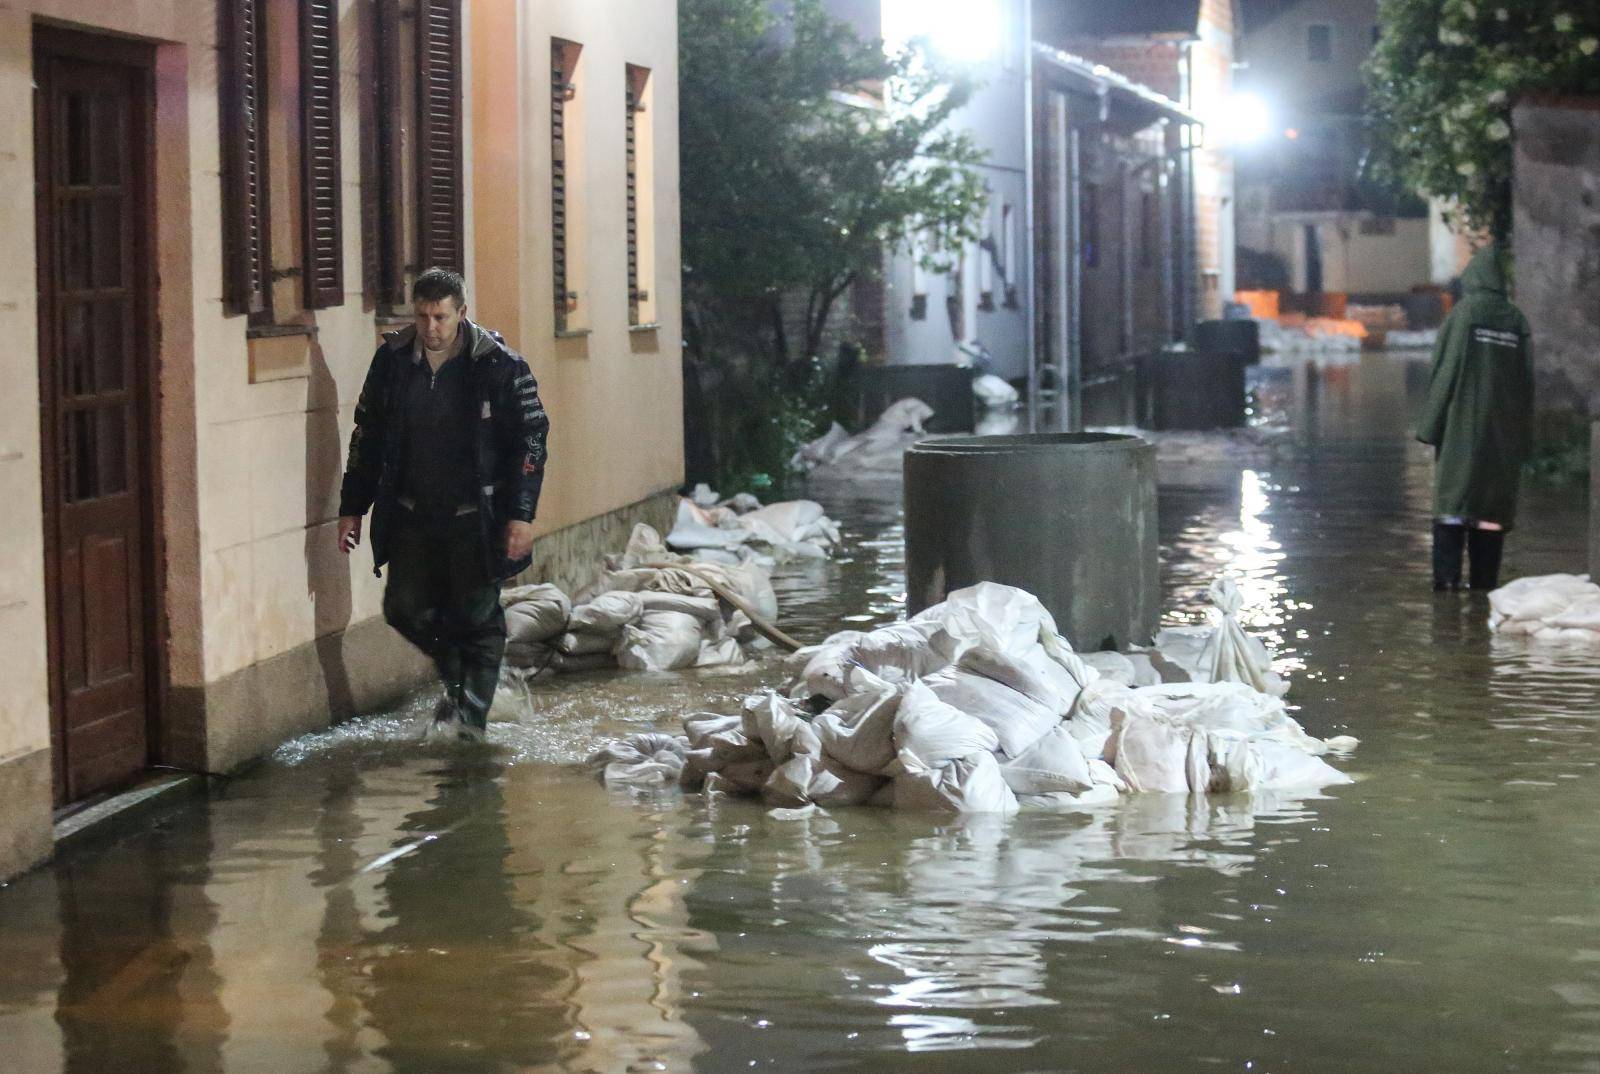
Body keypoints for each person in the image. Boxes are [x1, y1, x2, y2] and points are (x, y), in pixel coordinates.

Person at [337, 268, 550, 741]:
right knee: (403, 609)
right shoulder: (392, 362)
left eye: (440, 317)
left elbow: (531, 442)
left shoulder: (500, 366)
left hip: (478, 516)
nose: (431, 328)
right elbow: (366, 435)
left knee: (478, 616)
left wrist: (521, 514)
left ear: (462, 314)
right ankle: (465, 685)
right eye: (422, 316)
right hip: (412, 512)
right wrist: (353, 506)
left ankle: (470, 719)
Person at [1416, 243, 1533, 592]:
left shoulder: (1464, 315)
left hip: (1462, 431)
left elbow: (1445, 371)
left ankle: (1447, 595)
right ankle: (1484, 592)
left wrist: (1430, 427)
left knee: (1453, 502)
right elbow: (1527, 384)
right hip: (1503, 437)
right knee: (1491, 512)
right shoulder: (1517, 320)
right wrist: (1524, 442)